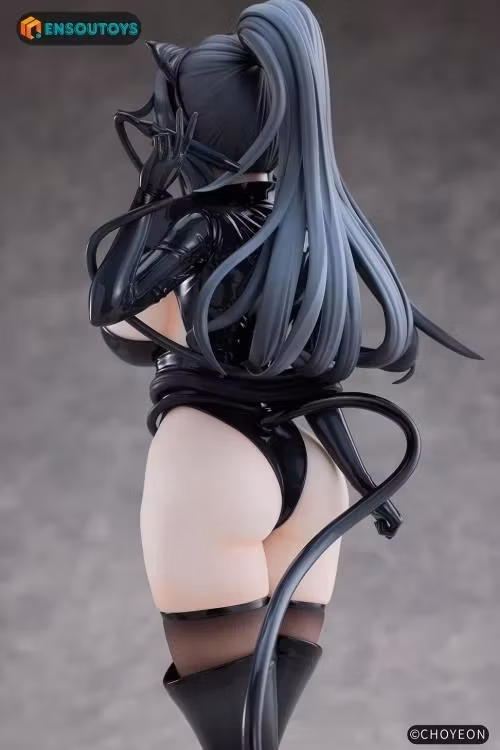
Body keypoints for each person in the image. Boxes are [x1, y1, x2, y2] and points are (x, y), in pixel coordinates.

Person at [86, 1, 480, 747]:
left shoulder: (198, 222)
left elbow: (116, 317)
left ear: (190, 130)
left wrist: (150, 204)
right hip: (317, 471)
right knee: (262, 731)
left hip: (215, 457)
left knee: (234, 736)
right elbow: (311, 362)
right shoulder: (320, 228)